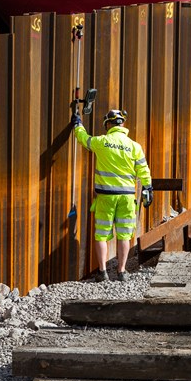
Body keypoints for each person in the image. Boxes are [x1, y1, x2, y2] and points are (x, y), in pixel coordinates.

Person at [72, 109, 153, 281]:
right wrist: (148, 188)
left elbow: (84, 139)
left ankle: (102, 272)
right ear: (122, 124)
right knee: (124, 235)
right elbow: (144, 170)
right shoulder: (134, 146)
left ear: (108, 125)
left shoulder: (102, 142)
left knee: (101, 234)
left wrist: (78, 124)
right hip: (127, 197)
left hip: (106, 197)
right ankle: (122, 271)